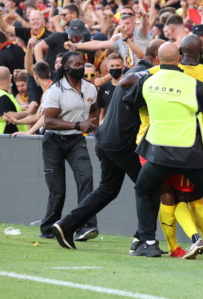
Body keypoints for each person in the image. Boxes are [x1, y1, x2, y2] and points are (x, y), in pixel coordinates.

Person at [123, 42, 203, 262]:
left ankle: (149, 243)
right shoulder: (193, 84)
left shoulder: (147, 80)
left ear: (158, 60)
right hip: (192, 153)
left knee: (144, 191)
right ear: (179, 57)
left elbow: (129, 101)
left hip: (159, 152)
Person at [51, 40, 165, 250]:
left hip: (106, 139)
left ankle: (66, 225)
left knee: (108, 189)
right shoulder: (150, 76)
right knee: (150, 188)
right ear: (158, 59)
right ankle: (142, 240)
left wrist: (100, 138)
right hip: (122, 142)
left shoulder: (133, 73)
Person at [40, 51, 99, 241]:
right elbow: (48, 121)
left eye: (82, 64)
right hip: (53, 141)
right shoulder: (55, 90)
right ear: (66, 68)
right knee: (58, 190)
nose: (81, 67)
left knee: (86, 178)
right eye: (76, 65)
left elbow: (95, 111)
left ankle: (85, 226)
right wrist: (77, 124)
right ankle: (49, 227)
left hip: (76, 140)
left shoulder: (90, 89)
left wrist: (96, 135)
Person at [97, 53, 124, 123]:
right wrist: (101, 127)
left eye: (117, 65)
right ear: (107, 68)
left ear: (123, 67)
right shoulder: (103, 88)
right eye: (112, 66)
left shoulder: (130, 86)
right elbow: (102, 112)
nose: (115, 68)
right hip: (108, 126)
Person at [0, 68, 28, 134]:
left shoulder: (4, 94)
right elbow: (9, 115)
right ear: (9, 79)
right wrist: (28, 112)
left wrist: (20, 108)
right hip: (8, 138)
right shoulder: (3, 96)